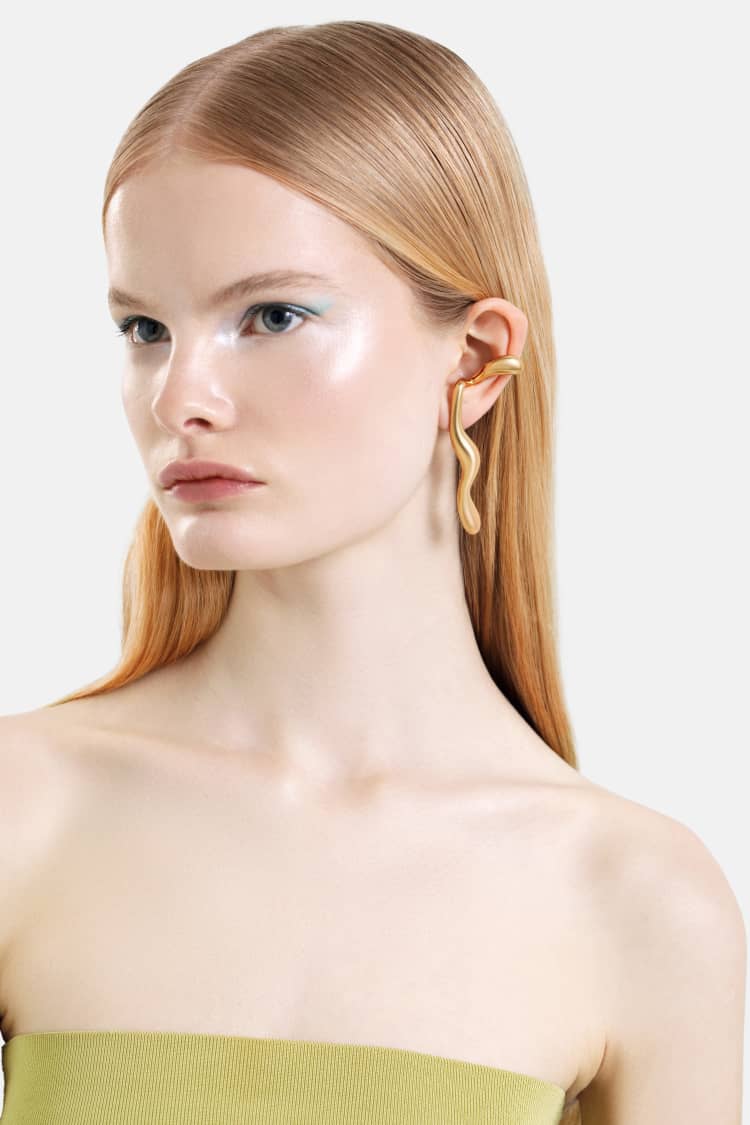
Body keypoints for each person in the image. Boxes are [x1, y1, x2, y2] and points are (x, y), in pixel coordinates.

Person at [0, 19, 744, 1125]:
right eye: (145, 327)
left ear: (477, 360)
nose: (179, 397)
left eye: (272, 315)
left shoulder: (639, 902)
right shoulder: (25, 807)